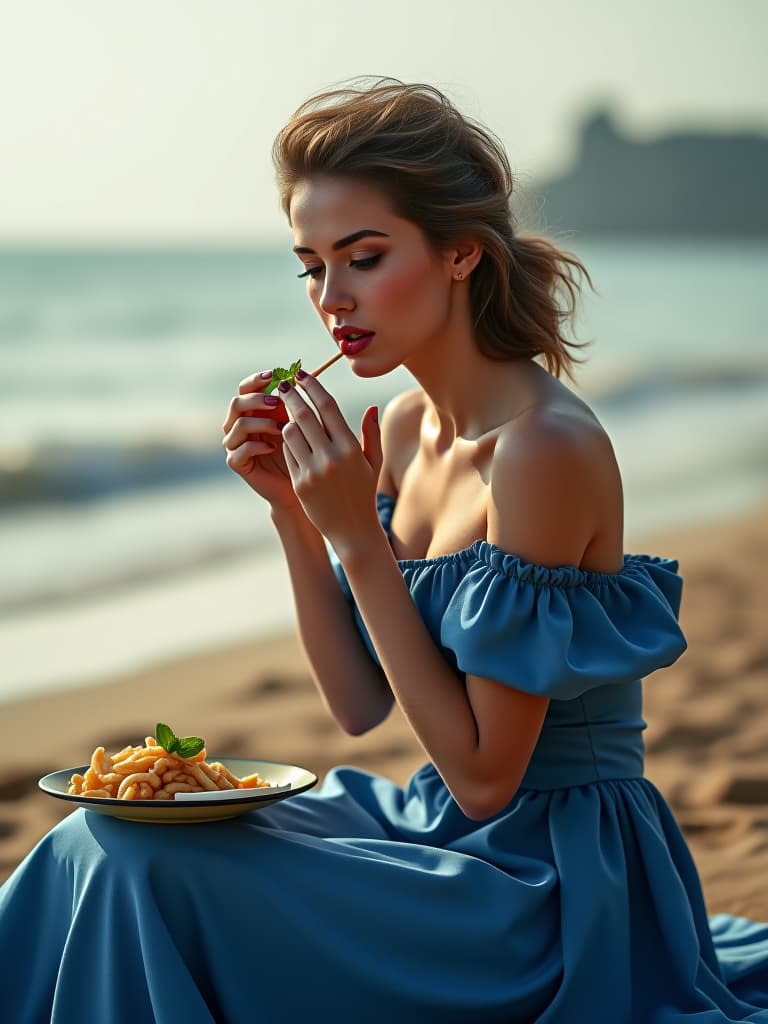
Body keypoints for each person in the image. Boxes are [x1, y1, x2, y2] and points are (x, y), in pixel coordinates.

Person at [1, 78, 767, 1024]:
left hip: (548, 884)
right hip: (435, 820)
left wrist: (357, 538)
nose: (332, 299)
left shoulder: (545, 451)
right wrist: (294, 515)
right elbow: (361, 707)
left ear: (460, 254)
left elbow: (490, 778)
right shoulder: (403, 428)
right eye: (311, 267)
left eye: (362, 258)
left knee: (145, 868)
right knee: (96, 835)